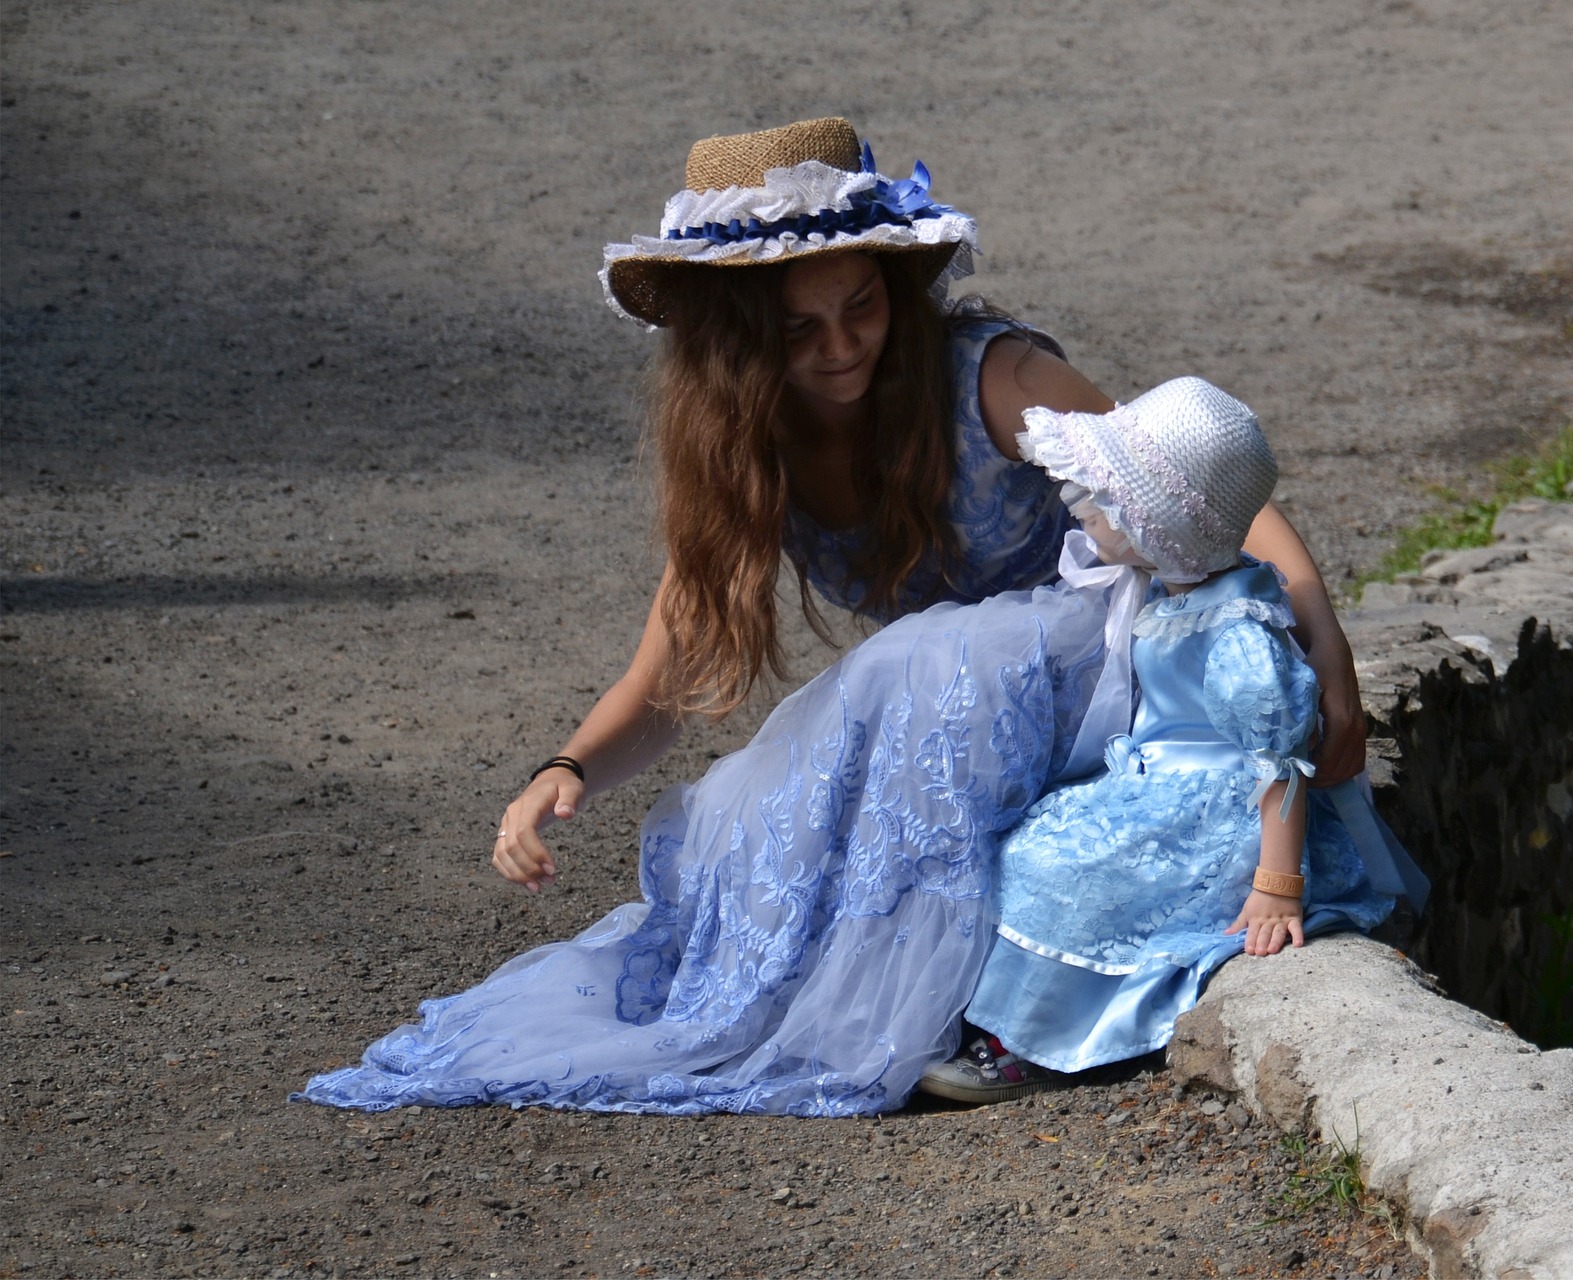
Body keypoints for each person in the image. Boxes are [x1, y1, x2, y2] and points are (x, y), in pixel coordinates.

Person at [294, 117, 1368, 1116]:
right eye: (799, 327)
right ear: (735, 341)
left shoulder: (985, 374)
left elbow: (1196, 491)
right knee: (778, 818)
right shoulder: (748, 448)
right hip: (959, 721)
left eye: (862, 306)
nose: (844, 344)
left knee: (909, 668)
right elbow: (669, 670)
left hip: (1110, 665)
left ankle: (998, 1010)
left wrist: (1331, 668)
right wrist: (564, 768)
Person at [919, 378, 1430, 1104]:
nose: (1083, 507)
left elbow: (1279, 765)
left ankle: (1034, 1042)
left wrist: (1277, 886)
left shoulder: (1238, 637)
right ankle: (999, 1017)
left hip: (1215, 815)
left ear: (1159, 528)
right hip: (1153, 785)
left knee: (1074, 875)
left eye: (1104, 499)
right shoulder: (1178, 589)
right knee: (1029, 846)